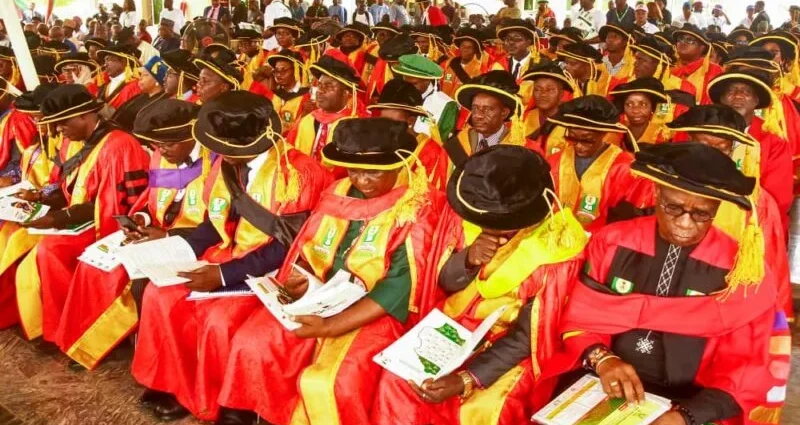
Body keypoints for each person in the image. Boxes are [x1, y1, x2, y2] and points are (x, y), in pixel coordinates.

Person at [215, 117, 443, 425]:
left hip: (376, 309)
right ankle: (254, 413)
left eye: (373, 171)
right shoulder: (340, 191)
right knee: (254, 340)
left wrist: (330, 326)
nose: (362, 180)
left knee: (331, 381)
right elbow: (309, 247)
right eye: (354, 170)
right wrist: (302, 278)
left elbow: (399, 286)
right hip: (322, 294)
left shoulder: (417, 207)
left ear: (399, 164)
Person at [131, 91, 331, 423]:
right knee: (160, 293)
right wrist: (178, 249)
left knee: (219, 319)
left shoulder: (299, 174)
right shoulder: (226, 162)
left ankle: (226, 404)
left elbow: (286, 245)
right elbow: (215, 220)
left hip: (271, 268)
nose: (216, 153)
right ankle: (174, 384)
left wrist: (223, 276)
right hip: (226, 253)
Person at [555, 142, 787, 425]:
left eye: (702, 213)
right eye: (674, 207)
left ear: (716, 208)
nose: (686, 223)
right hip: (603, 381)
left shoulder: (740, 269)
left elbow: (747, 364)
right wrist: (602, 359)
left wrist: (687, 415)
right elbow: (580, 316)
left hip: (695, 399)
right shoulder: (612, 241)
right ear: (656, 193)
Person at [372, 144, 587, 425]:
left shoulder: (557, 247)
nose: (489, 229)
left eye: (500, 225)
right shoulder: (471, 217)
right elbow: (444, 284)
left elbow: (526, 337)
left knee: (486, 411)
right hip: (454, 329)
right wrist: (469, 260)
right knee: (398, 382)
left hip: (507, 346)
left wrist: (467, 378)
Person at [51, 99, 207, 371]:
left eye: (168, 144)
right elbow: (150, 200)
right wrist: (140, 218)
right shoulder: (164, 156)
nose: (159, 151)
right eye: (157, 145)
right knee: (92, 266)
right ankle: (90, 342)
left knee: (127, 277)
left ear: (189, 137)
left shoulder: (213, 164)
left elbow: (217, 224)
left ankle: (115, 345)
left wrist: (169, 235)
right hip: (156, 233)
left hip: (192, 242)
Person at [15, 84, 149, 345]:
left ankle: (82, 332)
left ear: (85, 116)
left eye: (62, 123)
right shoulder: (84, 141)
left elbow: (115, 206)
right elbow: (75, 190)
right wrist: (45, 201)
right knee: (47, 247)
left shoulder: (118, 145)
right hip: (87, 219)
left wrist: (58, 219)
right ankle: (58, 328)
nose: (57, 131)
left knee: (52, 249)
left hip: (113, 225)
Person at [666, 104, 794, 321]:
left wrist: (771, 318)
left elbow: (770, 263)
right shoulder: (662, 184)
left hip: (723, 302)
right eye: (703, 145)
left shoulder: (756, 201)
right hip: (665, 293)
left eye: (722, 147)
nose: (712, 155)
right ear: (689, 141)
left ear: (732, 149)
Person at [0, 83, 72, 332]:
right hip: (35, 204)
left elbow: (65, 187)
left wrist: (40, 195)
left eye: (41, 119)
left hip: (61, 213)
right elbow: (22, 172)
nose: (37, 124)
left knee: (17, 240)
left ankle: (34, 322)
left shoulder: (68, 146)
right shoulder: (38, 145)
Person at [545, 95, 648, 231]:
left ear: (603, 133)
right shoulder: (555, 161)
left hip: (601, 241)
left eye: (587, 140)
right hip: (553, 237)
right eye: (572, 138)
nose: (579, 146)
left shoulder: (625, 167)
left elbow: (632, 219)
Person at [707, 69, 793, 228]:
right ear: (721, 99)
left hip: (752, 222)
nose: (738, 95)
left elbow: (779, 197)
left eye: (746, 92)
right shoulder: (702, 133)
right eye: (731, 91)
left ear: (756, 101)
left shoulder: (773, 142)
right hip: (704, 216)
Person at [445, 71, 543, 167]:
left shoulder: (525, 151)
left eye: (487, 109)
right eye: (475, 108)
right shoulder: (455, 146)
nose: (478, 115)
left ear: (504, 113)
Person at [367, 79, 449, 189]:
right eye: (383, 120)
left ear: (411, 120)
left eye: (394, 122)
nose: (387, 127)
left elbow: (431, 195)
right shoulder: (376, 143)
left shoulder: (431, 152)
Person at [286, 54, 367, 164]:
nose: (320, 90)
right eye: (320, 85)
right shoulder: (307, 120)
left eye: (329, 86)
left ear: (346, 94)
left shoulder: (354, 127)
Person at [392, 54, 459, 141]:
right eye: (406, 83)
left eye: (414, 83)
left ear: (427, 80)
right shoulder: (398, 96)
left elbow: (443, 142)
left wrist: (414, 135)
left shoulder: (447, 105)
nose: (408, 87)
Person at [110, 56, 169, 132]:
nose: (140, 78)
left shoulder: (161, 103)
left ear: (157, 81)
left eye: (145, 75)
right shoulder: (141, 96)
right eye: (141, 74)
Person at [609, 77, 670, 146]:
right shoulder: (615, 131)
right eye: (629, 104)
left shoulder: (663, 136)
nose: (635, 110)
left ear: (652, 108)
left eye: (643, 104)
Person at [522, 61, 576, 138]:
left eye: (550, 89)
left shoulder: (570, 123)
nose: (543, 94)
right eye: (537, 89)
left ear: (561, 94)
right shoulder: (523, 118)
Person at [670, 24, 721, 104]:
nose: (683, 43)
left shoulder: (713, 70)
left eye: (690, 40)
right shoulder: (668, 68)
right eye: (680, 39)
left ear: (702, 47)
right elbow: (662, 102)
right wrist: (663, 115)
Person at [490, 19, 538, 105]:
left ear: (529, 42)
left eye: (517, 38)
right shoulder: (498, 65)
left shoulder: (540, 66)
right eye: (507, 39)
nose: (511, 42)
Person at [266, 49, 312, 134]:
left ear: (296, 70)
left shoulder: (307, 96)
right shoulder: (274, 95)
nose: (279, 75)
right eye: (276, 71)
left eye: (284, 70)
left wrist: (304, 114)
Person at [441, 28, 491, 98]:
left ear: (475, 50)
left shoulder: (481, 70)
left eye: (469, 47)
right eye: (463, 46)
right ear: (459, 47)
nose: (465, 50)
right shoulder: (447, 64)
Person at [366, 34, 417, 100]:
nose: (394, 65)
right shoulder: (382, 66)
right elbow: (375, 88)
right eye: (391, 62)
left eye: (398, 62)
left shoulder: (416, 71)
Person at [95, 44, 143, 114]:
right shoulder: (104, 86)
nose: (105, 64)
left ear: (123, 62)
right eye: (105, 61)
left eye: (108, 59)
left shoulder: (135, 86)